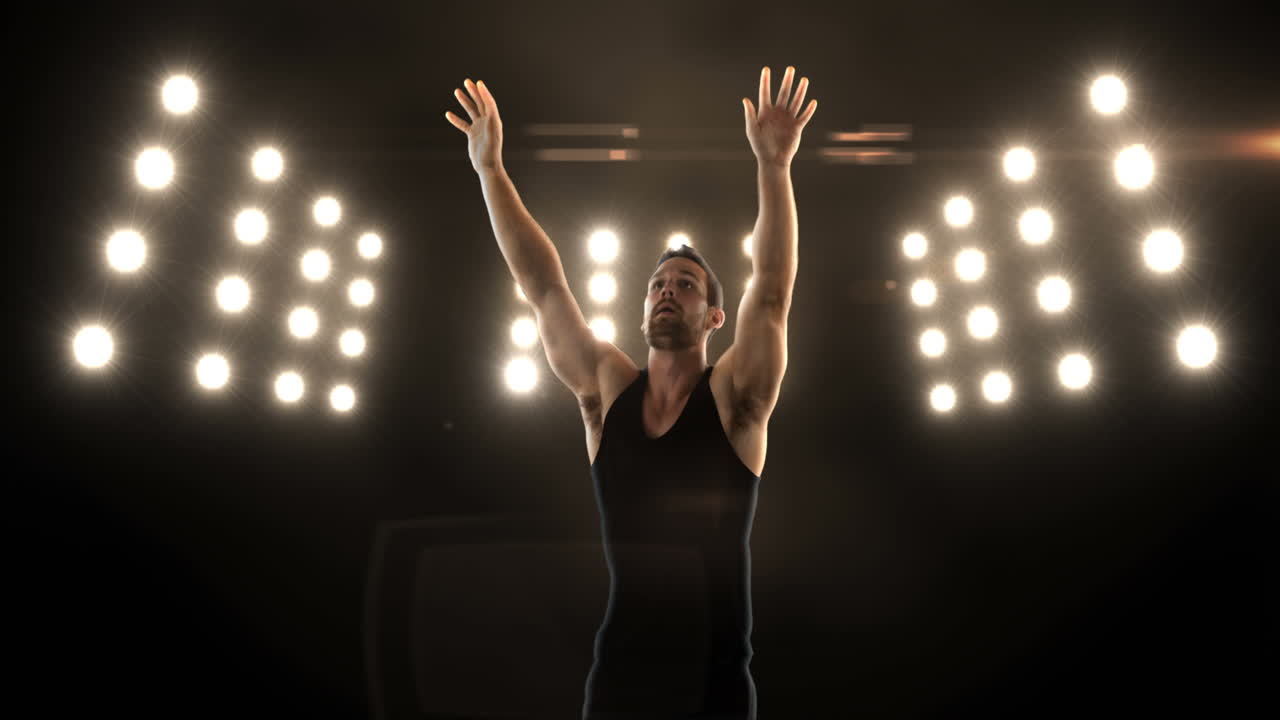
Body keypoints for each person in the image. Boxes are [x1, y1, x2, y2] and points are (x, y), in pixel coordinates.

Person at [446, 66, 816, 719]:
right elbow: (543, 286)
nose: (667, 290)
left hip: (713, 690)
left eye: (686, 284)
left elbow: (772, 293)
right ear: (644, 307)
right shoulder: (608, 391)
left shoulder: (734, 401)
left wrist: (774, 166)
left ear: (714, 317)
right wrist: (490, 171)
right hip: (618, 686)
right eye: (658, 285)